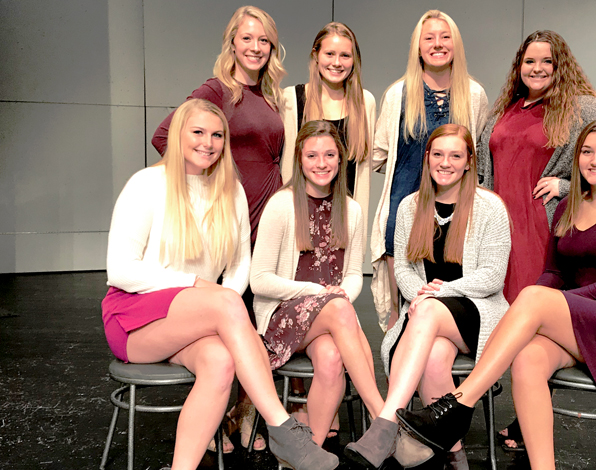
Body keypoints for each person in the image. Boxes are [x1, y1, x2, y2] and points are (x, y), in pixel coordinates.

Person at [396, 118, 596, 470]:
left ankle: (459, 404)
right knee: (527, 360)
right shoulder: (569, 205)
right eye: (586, 151)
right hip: (580, 321)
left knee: (535, 298)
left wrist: (554, 304)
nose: (595, 159)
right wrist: (541, 305)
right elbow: (553, 273)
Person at [102, 99, 338, 470]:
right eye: (197, 132)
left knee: (221, 361)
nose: (208, 143)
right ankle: (283, 429)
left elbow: (240, 262)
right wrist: (197, 285)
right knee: (229, 303)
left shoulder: (230, 190)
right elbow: (120, 271)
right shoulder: (146, 184)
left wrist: (216, 295)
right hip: (135, 318)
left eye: (217, 135)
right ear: (177, 134)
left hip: (197, 316)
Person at [151, 5, 286, 452]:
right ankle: (208, 428)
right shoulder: (215, 90)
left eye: (263, 40)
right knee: (230, 327)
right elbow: (168, 136)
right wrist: (205, 187)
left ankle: (244, 417)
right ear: (232, 44)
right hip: (234, 223)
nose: (255, 47)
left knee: (259, 327)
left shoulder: (269, 95)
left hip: (271, 223)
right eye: (247, 38)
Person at [476, 30, 596, 450]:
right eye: (529, 62)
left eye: (547, 62)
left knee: (535, 326)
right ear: (519, 67)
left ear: (561, 66)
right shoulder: (508, 106)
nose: (537, 69)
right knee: (496, 316)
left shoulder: (581, 108)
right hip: (500, 230)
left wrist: (569, 182)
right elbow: (487, 164)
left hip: (540, 230)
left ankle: (525, 423)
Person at [345, 124, 511, 470]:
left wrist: (439, 292)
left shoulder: (490, 207)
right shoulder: (409, 207)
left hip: (477, 311)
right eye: (438, 154)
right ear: (427, 159)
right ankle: (454, 455)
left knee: (429, 311)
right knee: (434, 359)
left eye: (455, 155)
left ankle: (386, 424)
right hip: (428, 315)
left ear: (469, 162)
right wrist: (418, 293)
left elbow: (493, 276)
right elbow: (402, 268)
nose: (445, 162)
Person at [249, 120, 384, 448]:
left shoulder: (351, 210)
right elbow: (259, 280)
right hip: (282, 317)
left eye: (329, 155)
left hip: (330, 319)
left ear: (340, 160)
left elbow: (353, 275)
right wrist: (320, 294)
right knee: (338, 307)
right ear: (299, 160)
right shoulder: (282, 205)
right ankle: (383, 417)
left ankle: (313, 452)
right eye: (312, 156)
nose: (321, 163)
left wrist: (338, 295)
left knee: (331, 357)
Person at [371, 10, 489, 333]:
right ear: (418, 47)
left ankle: (443, 380)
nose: (437, 44)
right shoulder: (398, 95)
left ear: (456, 44)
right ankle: (402, 379)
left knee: (450, 305)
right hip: (404, 216)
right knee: (402, 316)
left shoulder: (474, 95)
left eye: (445, 37)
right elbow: (380, 154)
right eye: (429, 38)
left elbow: (477, 153)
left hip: (457, 216)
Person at [281, 22, 375, 237]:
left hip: (344, 224)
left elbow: (362, 175)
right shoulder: (292, 99)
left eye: (345, 55)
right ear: (316, 55)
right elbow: (288, 168)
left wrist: (357, 234)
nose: (337, 63)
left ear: (354, 60)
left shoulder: (365, 102)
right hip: (300, 222)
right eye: (330, 54)